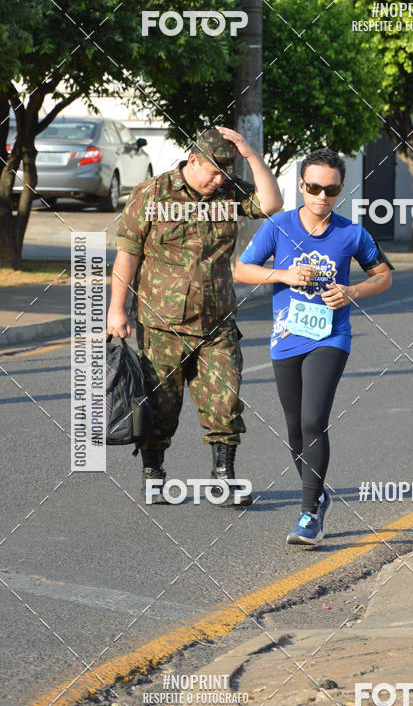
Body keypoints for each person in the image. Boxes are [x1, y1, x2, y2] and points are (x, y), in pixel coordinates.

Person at [107, 127, 283, 505]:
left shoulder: (228, 193)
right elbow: (128, 254)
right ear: (193, 160)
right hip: (162, 324)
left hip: (217, 322)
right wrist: (116, 309)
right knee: (161, 407)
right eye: (213, 172)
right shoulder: (152, 194)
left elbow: (271, 204)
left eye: (224, 173)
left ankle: (224, 478)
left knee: (225, 401)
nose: (218, 180)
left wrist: (250, 153)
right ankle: (153, 475)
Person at [234, 148, 393, 546]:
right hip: (286, 339)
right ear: (301, 185)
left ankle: (308, 515)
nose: (323, 196)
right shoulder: (278, 225)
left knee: (312, 421)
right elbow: (242, 269)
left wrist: (353, 291)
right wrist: (284, 275)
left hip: (331, 337)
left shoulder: (353, 233)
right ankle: (319, 497)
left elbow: (384, 276)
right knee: (294, 428)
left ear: (341, 189)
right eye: (315, 188)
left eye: (332, 189)